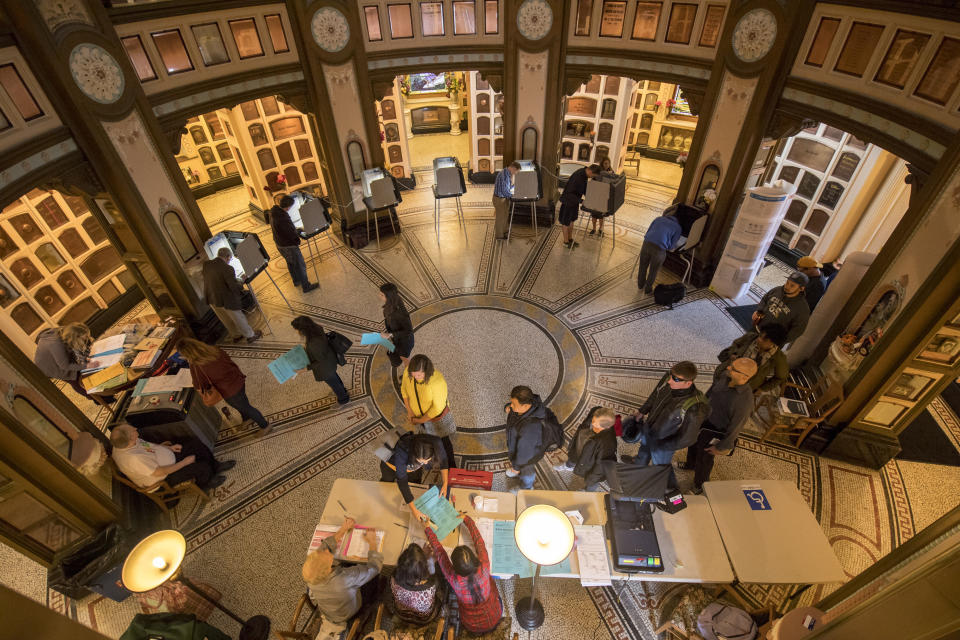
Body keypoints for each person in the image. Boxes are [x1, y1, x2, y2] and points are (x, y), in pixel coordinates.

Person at [683, 358, 758, 492]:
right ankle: (689, 465)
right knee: (692, 444)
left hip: (714, 430)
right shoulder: (725, 377)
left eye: (733, 369)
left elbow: (736, 427)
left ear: (745, 376)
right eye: (731, 365)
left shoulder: (744, 401)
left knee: (704, 458)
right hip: (703, 420)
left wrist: (722, 447)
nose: (728, 368)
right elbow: (710, 393)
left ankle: (700, 485)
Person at [425, 514, 503, 634]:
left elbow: (440, 554)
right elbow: (479, 542)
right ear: (473, 558)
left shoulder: (454, 579)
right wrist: (467, 520)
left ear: (455, 568)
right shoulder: (484, 566)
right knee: (498, 600)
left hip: (471, 625)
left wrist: (428, 530)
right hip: (494, 616)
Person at [178, 338, 272, 435]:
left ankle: (265, 425)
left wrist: (190, 364)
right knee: (243, 403)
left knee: (246, 407)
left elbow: (200, 384)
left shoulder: (197, 365)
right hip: (238, 380)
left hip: (229, 391)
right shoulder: (214, 350)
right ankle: (247, 419)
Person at [622, 362, 707, 467]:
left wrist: (663, 446)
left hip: (663, 444)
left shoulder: (695, 407)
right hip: (649, 428)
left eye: (675, 379)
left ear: (688, 383)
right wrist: (642, 411)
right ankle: (639, 464)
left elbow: (687, 438)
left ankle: (656, 479)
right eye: (671, 375)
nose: (669, 380)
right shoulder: (669, 378)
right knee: (643, 450)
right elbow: (655, 394)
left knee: (659, 468)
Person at [302, 516, 382, 626]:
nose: (326, 551)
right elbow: (374, 568)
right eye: (327, 555)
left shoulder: (311, 574)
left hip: (330, 610)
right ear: (328, 569)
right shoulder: (344, 579)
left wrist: (343, 529)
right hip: (348, 612)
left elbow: (324, 548)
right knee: (372, 577)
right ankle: (373, 595)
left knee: (346, 562)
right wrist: (372, 543)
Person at [110, 422, 234, 490]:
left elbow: (147, 447)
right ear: (131, 438)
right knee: (201, 467)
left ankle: (216, 466)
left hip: (167, 459)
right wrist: (185, 462)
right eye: (133, 430)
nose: (135, 428)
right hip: (163, 477)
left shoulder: (125, 442)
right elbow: (159, 472)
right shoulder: (134, 459)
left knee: (196, 445)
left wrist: (168, 448)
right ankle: (206, 483)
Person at [379, 432, 450, 523]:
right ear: (414, 455)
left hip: (411, 465)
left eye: (427, 460)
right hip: (390, 464)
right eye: (421, 461)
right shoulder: (402, 452)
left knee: (414, 484)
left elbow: (443, 461)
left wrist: (445, 483)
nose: (425, 463)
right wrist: (414, 510)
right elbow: (402, 482)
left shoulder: (436, 442)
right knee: (387, 486)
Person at [401, 354, 456, 465]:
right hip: (418, 416)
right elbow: (404, 391)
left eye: (419, 375)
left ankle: (451, 467)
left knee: (443, 442)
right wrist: (410, 411)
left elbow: (437, 408)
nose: (416, 377)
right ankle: (428, 459)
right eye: (414, 375)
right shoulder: (408, 373)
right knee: (424, 441)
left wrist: (420, 420)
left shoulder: (437, 382)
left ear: (427, 370)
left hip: (436, 419)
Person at [202, 247, 262, 344]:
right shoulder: (228, 268)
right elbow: (234, 288)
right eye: (230, 259)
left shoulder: (207, 264)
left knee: (226, 319)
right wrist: (241, 280)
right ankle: (250, 335)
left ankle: (236, 335)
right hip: (226, 300)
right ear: (228, 257)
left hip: (211, 298)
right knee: (238, 318)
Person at [553, 406, 617, 491]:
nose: (592, 423)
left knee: (592, 483)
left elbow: (600, 468)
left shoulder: (607, 444)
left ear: (605, 427)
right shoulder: (596, 411)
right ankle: (568, 466)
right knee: (572, 459)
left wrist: (590, 480)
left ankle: (587, 491)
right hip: (580, 450)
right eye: (592, 420)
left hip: (589, 462)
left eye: (594, 422)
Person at [716, 323, 789, 396]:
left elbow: (780, 377)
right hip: (726, 376)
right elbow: (736, 344)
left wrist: (762, 388)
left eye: (764, 339)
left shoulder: (779, 358)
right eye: (760, 335)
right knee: (713, 394)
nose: (759, 339)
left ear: (773, 344)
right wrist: (733, 353)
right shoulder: (750, 337)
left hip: (742, 389)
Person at [291, 316, 350, 405]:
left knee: (334, 383)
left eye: (297, 329)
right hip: (330, 360)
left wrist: (305, 369)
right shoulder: (317, 329)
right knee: (335, 378)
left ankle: (343, 399)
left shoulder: (313, 343)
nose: (296, 331)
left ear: (303, 330)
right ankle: (343, 390)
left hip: (325, 368)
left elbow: (320, 361)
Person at [504, 385, 552, 491]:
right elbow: (513, 408)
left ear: (525, 406)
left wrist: (516, 468)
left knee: (527, 472)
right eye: (511, 402)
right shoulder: (526, 406)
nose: (511, 406)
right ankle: (518, 472)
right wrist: (508, 407)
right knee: (521, 465)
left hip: (529, 456)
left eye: (514, 404)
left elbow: (524, 453)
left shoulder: (530, 428)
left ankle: (526, 487)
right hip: (519, 445)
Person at [269, 194, 318, 293]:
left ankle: (296, 281)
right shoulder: (282, 217)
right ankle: (306, 286)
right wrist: (299, 234)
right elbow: (290, 232)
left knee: (291, 263)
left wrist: (296, 230)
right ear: (288, 207)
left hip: (279, 243)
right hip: (288, 245)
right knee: (300, 265)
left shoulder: (273, 212)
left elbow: (285, 229)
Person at [34, 322, 97, 397]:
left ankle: (97, 392)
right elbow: (65, 366)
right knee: (74, 379)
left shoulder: (67, 330)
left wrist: (85, 356)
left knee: (79, 368)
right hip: (48, 366)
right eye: (85, 337)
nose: (86, 338)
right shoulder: (56, 344)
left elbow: (78, 348)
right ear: (74, 337)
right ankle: (94, 397)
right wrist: (87, 366)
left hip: (56, 354)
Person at [389, 543, 443, 625]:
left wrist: (421, 558)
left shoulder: (394, 576)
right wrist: (428, 559)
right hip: (424, 618)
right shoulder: (430, 586)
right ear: (424, 569)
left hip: (401, 614)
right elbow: (432, 574)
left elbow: (412, 568)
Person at [752, 272, 811, 345]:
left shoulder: (802, 309)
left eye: (792, 285)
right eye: (787, 282)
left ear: (801, 288)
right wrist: (759, 311)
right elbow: (765, 299)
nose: (787, 287)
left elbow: (797, 331)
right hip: (757, 328)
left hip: (770, 341)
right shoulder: (777, 290)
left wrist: (779, 341)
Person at [637, 212, 683, 294]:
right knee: (653, 270)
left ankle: (640, 285)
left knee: (642, 266)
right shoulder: (678, 228)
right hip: (659, 250)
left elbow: (648, 232)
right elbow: (671, 247)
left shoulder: (658, 219)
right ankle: (648, 289)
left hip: (646, 244)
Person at [558, 163, 600, 249]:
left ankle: (570, 239)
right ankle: (566, 242)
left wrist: (590, 196)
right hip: (568, 201)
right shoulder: (578, 176)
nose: (591, 177)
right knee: (566, 222)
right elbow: (569, 192)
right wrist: (581, 201)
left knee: (572, 220)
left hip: (574, 201)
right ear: (590, 171)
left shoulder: (584, 175)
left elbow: (583, 188)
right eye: (592, 176)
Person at [380, 282, 414, 371]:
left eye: (382, 295)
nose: (379, 296)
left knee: (406, 360)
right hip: (399, 340)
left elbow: (408, 331)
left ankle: (410, 377)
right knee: (405, 358)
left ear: (389, 296)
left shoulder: (399, 313)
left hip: (404, 342)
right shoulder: (394, 302)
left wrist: (390, 334)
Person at [492, 161, 520, 240]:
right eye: (516, 172)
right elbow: (505, 191)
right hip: (499, 199)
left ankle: (504, 231)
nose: (515, 174)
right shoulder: (504, 175)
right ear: (513, 168)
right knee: (500, 218)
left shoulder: (507, 173)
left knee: (504, 216)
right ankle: (499, 236)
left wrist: (514, 186)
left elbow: (508, 188)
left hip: (503, 198)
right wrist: (513, 196)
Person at [588, 158, 614, 237]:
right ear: (602, 164)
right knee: (594, 214)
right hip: (596, 196)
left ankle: (600, 229)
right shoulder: (598, 172)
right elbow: (592, 182)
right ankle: (594, 228)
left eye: (607, 163)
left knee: (601, 216)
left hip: (604, 198)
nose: (606, 165)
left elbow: (613, 184)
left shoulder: (612, 173)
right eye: (604, 163)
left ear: (609, 164)